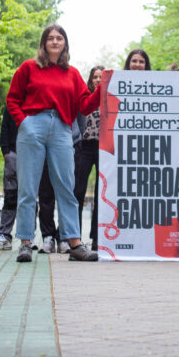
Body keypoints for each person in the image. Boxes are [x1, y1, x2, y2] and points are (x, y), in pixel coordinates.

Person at [6, 24, 101, 262]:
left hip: (62, 128)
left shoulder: (72, 73)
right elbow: (12, 99)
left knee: (66, 187)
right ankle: (26, 242)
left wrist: (102, 89)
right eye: (51, 38)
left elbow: (86, 106)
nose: (55, 42)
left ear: (65, 44)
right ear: (44, 43)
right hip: (33, 125)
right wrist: (24, 123)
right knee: (28, 188)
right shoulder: (28, 67)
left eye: (60, 38)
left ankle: (75, 244)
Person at [74, 66, 104, 251]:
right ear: (90, 79)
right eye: (95, 77)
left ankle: (96, 237)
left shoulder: (111, 97)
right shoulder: (84, 98)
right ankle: (73, 235)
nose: (98, 80)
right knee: (78, 191)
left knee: (101, 193)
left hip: (104, 148)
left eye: (102, 77)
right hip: (84, 146)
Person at [0, 109, 18, 250]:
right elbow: (4, 127)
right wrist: (5, 151)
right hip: (12, 153)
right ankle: (5, 235)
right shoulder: (11, 102)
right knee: (11, 196)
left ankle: (29, 237)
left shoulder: (37, 97)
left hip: (33, 153)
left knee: (30, 198)